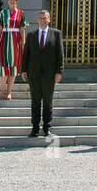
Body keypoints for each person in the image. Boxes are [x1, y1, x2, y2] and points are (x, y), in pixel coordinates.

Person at [21, 9, 65, 137]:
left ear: (49, 19)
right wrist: (23, 70)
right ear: (37, 20)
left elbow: (60, 54)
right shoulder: (31, 35)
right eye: (40, 18)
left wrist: (59, 71)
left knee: (47, 101)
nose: (42, 20)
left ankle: (46, 127)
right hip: (33, 73)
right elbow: (26, 54)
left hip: (49, 74)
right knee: (35, 102)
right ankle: (35, 127)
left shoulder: (56, 34)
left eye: (45, 18)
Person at [0, 0, 27, 99]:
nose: (12, 1)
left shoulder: (21, 13)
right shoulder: (3, 13)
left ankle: (9, 92)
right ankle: (3, 90)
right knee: (3, 66)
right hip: (4, 41)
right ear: (8, 1)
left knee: (14, 67)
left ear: (16, 1)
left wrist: (24, 43)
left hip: (16, 42)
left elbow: (22, 29)